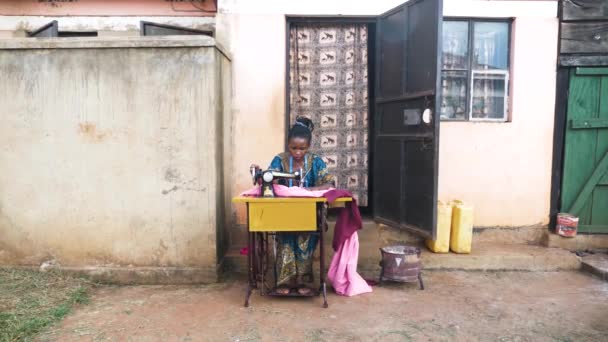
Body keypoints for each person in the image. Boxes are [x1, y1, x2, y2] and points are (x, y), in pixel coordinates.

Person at [251, 116, 335, 295]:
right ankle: (284, 282)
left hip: (309, 212)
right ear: (288, 145)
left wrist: (307, 190)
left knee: (305, 244)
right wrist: (260, 175)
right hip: (284, 211)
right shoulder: (279, 160)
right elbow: (268, 177)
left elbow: (329, 184)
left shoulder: (316, 162)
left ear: (309, 146)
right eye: (293, 148)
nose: (297, 152)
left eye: (302, 148)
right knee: (285, 242)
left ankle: (303, 281)